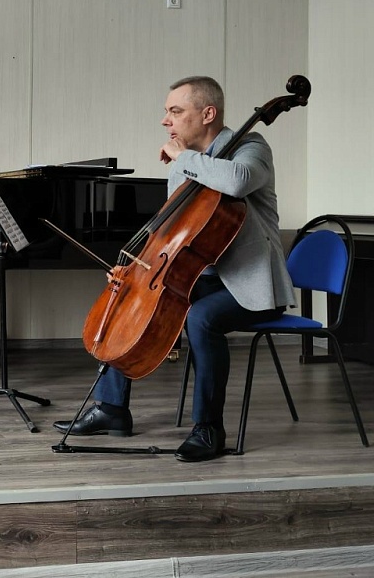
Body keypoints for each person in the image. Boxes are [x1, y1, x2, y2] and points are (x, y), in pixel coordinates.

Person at [53, 77, 294, 462]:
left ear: (208, 114)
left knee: (201, 318)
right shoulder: (187, 163)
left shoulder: (252, 147)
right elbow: (173, 235)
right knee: (130, 296)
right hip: (204, 276)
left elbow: (237, 181)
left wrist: (183, 159)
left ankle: (209, 428)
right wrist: (136, 270)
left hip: (251, 286)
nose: (166, 120)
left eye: (176, 111)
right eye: (167, 112)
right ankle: (112, 409)